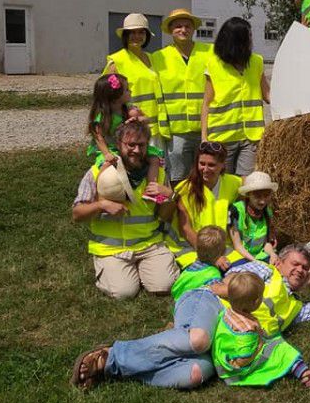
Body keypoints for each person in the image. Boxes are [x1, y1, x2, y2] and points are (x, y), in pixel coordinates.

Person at [70, 244, 310, 390]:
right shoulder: (263, 271)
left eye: (304, 268)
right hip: (209, 302)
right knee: (199, 339)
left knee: (196, 373)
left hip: (225, 344)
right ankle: (111, 355)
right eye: (294, 264)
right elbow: (227, 284)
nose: (299, 269)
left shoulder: (295, 308)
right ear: (278, 262)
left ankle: (117, 371)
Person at [71, 121, 179, 299]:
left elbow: (165, 216)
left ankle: (142, 268)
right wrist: (101, 205)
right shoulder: (98, 172)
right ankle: (117, 270)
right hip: (112, 248)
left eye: (141, 145)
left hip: (149, 244)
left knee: (164, 285)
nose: (136, 150)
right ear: (118, 144)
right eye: (130, 145)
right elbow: (77, 214)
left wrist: (170, 197)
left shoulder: (157, 173)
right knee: (124, 292)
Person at [212, 272, 310, 388]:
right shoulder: (247, 329)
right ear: (255, 302)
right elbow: (243, 359)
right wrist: (259, 346)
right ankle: (306, 375)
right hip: (237, 371)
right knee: (282, 349)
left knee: (273, 339)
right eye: (261, 297)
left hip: (223, 357)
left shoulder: (227, 312)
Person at [201, 17, 270, 176]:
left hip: (251, 137)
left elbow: (267, 94)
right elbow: (206, 103)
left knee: (246, 183)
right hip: (222, 137)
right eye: (248, 37)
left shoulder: (256, 62)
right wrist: (204, 137)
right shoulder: (213, 64)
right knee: (223, 181)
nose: (251, 41)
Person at [151, 8, 212, 186]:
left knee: (207, 174)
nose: (183, 30)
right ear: (170, 30)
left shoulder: (209, 52)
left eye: (187, 26)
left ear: (193, 29)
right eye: (178, 26)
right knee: (179, 177)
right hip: (176, 130)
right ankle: (180, 210)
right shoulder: (158, 57)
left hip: (206, 126)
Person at [104, 13, 171, 155]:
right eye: (132, 33)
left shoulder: (152, 58)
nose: (137, 36)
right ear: (125, 35)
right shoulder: (117, 61)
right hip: (132, 128)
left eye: (141, 32)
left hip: (154, 127)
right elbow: (107, 97)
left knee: (157, 169)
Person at [169, 142, 242, 268]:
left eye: (211, 165)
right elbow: (186, 229)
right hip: (192, 248)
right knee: (208, 277)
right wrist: (211, 256)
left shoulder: (235, 183)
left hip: (224, 248)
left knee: (243, 274)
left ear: (223, 165)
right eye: (202, 164)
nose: (205, 169)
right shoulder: (185, 189)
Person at [87, 72, 161, 190]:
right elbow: (98, 137)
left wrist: (138, 119)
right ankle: (97, 189)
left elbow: (147, 119)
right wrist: (107, 154)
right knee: (107, 165)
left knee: (154, 159)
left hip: (129, 146)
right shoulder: (103, 117)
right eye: (127, 89)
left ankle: (152, 188)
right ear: (116, 96)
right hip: (111, 148)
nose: (130, 91)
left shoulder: (129, 109)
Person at [228, 170, 278, 264]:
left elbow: (266, 243)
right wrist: (255, 262)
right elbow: (237, 246)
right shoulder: (236, 211)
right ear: (248, 194)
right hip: (240, 257)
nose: (262, 201)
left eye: (266, 196)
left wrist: (272, 254)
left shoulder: (267, 212)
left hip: (260, 256)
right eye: (257, 196)